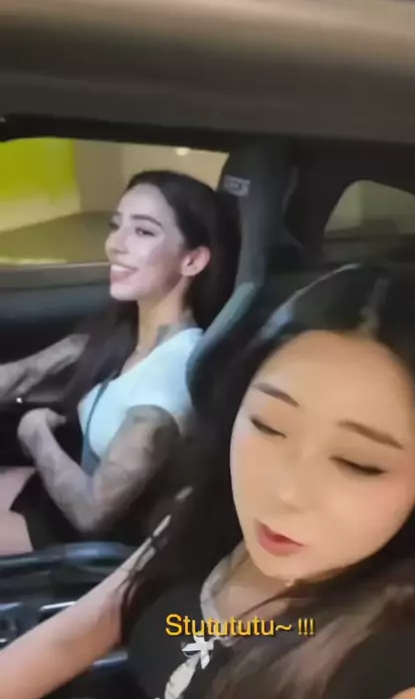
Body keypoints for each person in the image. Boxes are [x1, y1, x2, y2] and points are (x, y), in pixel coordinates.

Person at [1, 264, 415, 699]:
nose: (283, 491)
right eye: (269, 426)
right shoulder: (210, 519)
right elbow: (85, 626)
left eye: (358, 462)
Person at [0, 170, 239, 554]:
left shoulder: (165, 387)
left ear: (192, 260)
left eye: (142, 231)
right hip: (52, 492)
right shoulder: (122, 334)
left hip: (76, 536)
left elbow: (91, 514)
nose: (115, 245)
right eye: (116, 226)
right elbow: (22, 374)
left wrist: (35, 433)